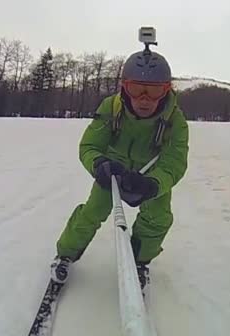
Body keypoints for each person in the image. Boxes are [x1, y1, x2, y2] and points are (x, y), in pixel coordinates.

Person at [50, 47, 189, 291]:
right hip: (113, 170)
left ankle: (139, 262)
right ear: (125, 87)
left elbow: (175, 161)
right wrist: (99, 164)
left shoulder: (175, 121)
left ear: (166, 91)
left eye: (154, 91)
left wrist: (154, 184)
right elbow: (90, 145)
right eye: (137, 89)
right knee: (92, 212)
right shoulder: (111, 108)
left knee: (157, 219)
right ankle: (65, 254)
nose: (144, 99)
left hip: (151, 175)